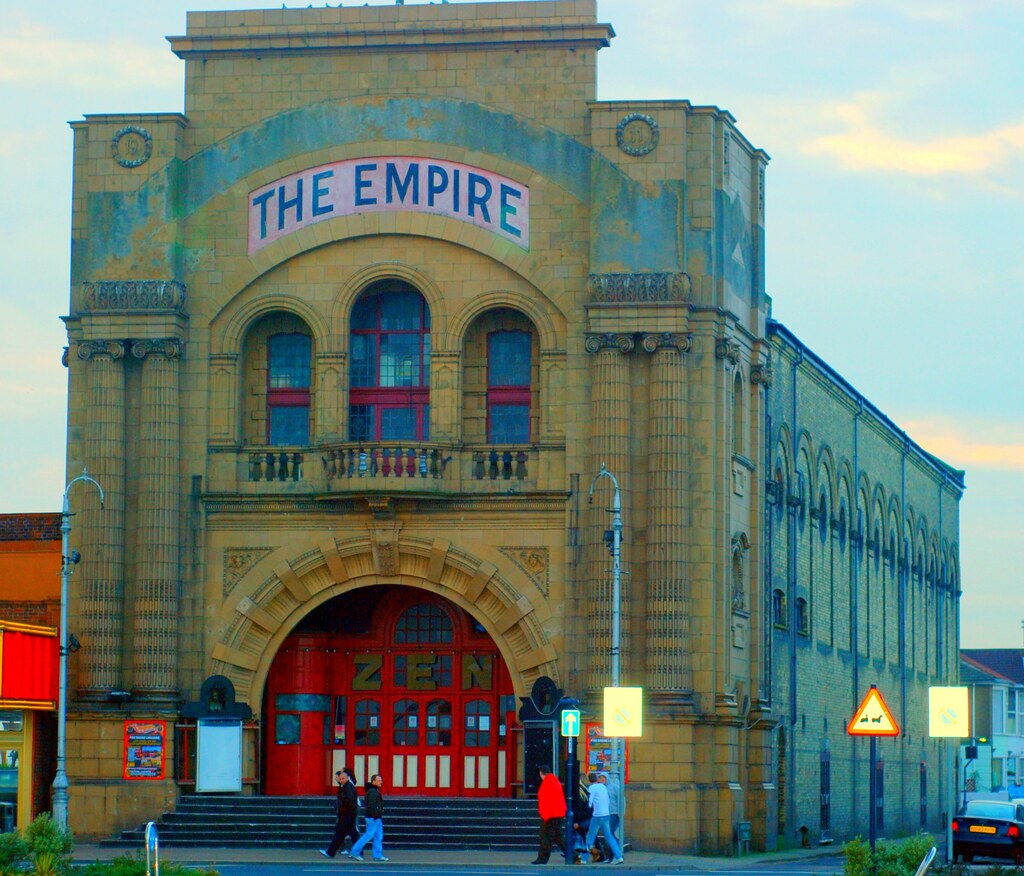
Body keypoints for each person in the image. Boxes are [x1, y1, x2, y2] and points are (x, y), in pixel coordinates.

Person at [584, 771, 623, 865]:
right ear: (597, 779)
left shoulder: (592, 787)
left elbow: (589, 802)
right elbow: (608, 800)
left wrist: (589, 806)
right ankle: (619, 856)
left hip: (597, 815)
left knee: (590, 836)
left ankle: (584, 858)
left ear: (589, 780)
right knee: (609, 836)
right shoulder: (603, 787)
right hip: (606, 814)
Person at [320, 767, 360, 858]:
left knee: (342, 833)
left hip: (347, 814)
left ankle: (332, 852)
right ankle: (357, 851)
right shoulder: (344, 786)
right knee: (351, 833)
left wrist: (341, 811)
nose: (338, 778)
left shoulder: (348, 786)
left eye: (340, 776)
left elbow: (347, 801)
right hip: (347, 814)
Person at [347, 773, 388, 862]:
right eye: (379, 780)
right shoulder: (373, 792)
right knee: (369, 835)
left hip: (375, 817)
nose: (381, 782)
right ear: (373, 781)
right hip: (373, 818)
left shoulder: (372, 791)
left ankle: (377, 855)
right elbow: (372, 806)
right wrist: (377, 814)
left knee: (378, 836)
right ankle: (355, 852)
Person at [531, 765, 567, 865]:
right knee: (558, 837)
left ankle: (542, 858)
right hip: (558, 813)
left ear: (541, 773)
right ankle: (572, 854)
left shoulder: (546, 783)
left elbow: (544, 800)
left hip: (550, 814)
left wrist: (543, 814)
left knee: (546, 837)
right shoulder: (555, 781)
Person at [600, 770, 621, 841]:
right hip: (604, 814)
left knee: (610, 832)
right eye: (601, 778)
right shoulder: (600, 789)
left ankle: (616, 849)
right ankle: (613, 850)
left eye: (604, 777)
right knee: (608, 833)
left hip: (613, 813)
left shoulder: (614, 787)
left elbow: (620, 799)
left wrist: (620, 812)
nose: (602, 779)